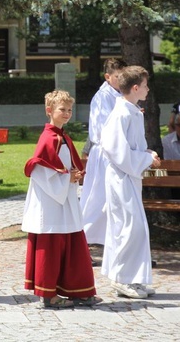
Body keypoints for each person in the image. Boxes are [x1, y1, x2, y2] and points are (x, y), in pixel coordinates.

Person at [22, 90, 101, 308]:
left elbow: (63, 167)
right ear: (49, 111)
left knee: (73, 243)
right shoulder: (49, 138)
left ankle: (79, 291)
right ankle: (49, 295)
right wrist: (68, 178)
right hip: (50, 204)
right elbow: (39, 170)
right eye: (62, 110)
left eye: (69, 110)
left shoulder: (62, 137)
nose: (67, 113)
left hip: (64, 199)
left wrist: (71, 176)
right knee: (52, 245)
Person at [101, 65, 159, 299]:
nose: (147, 89)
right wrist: (146, 158)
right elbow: (117, 150)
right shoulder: (122, 113)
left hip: (128, 177)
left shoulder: (132, 111)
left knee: (135, 228)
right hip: (120, 178)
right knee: (128, 228)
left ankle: (133, 277)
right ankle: (122, 279)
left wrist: (147, 153)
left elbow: (131, 147)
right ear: (135, 88)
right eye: (145, 85)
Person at [80, 58, 126, 249]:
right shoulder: (102, 97)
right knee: (96, 202)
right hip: (105, 153)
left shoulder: (119, 94)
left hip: (117, 153)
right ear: (108, 77)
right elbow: (104, 129)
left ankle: (113, 243)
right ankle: (80, 242)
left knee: (113, 202)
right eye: (118, 76)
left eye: (124, 76)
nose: (121, 80)